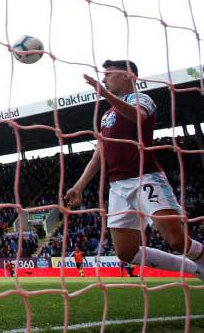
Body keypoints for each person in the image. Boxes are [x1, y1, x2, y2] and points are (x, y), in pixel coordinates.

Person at [65, 60, 204, 280]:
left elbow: (136, 116)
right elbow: (99, 153)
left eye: (108, 74)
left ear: (128, 76)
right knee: (126, 252)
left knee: (176, 240)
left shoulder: (142, 99)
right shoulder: (106, 115)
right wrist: (79, 186)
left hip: (144, 178)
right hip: (117, 187)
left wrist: (104, 94)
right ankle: (196, 270)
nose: (103, 80)